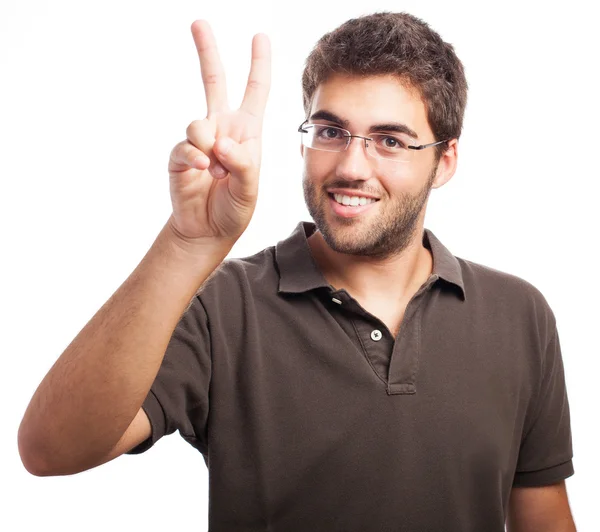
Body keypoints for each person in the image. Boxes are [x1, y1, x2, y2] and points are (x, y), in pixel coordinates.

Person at [17, 11, 576, 532]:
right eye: (331, 131)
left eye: (389, 140)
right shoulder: (223, 307)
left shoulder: (519, 313)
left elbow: (542, 515)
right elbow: (51, 451)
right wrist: (188, 243)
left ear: (444, 160)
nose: (352, 167)